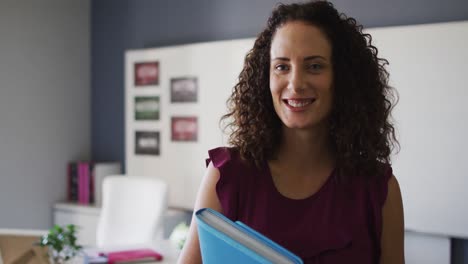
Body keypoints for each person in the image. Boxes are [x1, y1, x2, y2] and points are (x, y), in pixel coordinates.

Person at [177, 1, 404, 263]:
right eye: (282, 66)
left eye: (315, 66)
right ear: (266, 77)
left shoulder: (378, 189)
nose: (295, 84)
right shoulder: (226, 176)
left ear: (343, 78)